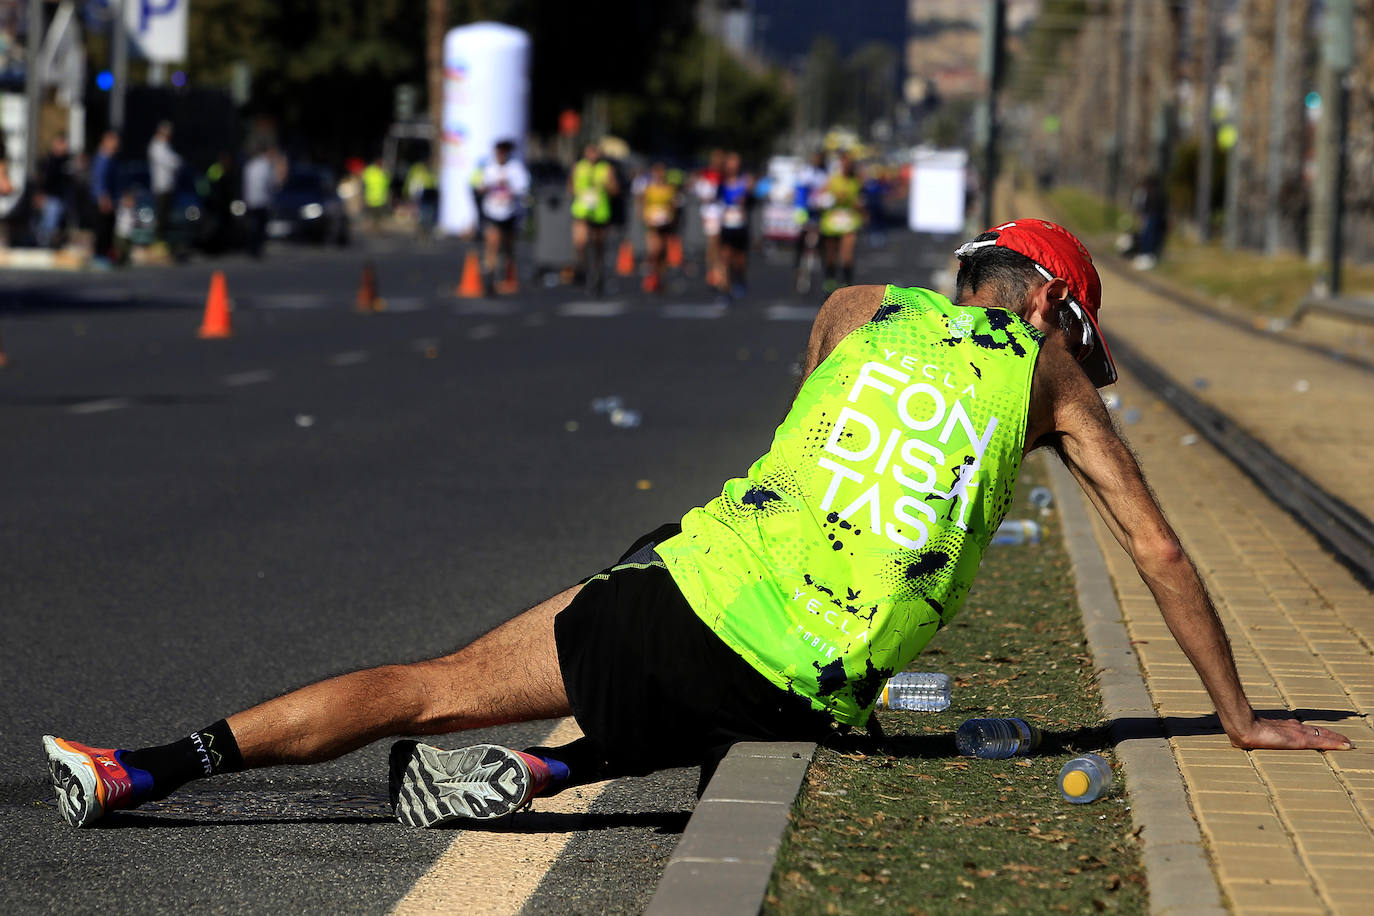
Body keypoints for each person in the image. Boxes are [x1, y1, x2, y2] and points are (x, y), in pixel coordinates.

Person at [43, 218, 1352, 831]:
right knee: (775, 703)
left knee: (427, 687)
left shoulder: (852, 304)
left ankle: (143, 766)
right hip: (795, 680)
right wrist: (1233, 719)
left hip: (679, 587)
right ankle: (562, 771)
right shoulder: (1050, 377)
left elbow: (809, 435)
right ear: (1056, 314)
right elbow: (1163, 551)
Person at [471, 139, 530, 296]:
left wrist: (508, 184)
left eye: (504, 152)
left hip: (510, 212)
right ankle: (489, 278)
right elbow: (478, 186)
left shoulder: (515, 168)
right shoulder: (488, 168)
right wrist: (487, 186)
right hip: (492, 211)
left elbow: (523, 189)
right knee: (492, 243)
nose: (501, 155)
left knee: (508, 245)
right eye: (499, 152)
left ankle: (507, 273)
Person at [569, 143, 618, 295]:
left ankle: (598, 274)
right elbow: (570, 186)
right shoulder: (578, 167)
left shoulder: (606, 168)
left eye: (595, 152)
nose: (592, 155)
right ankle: (581, 268)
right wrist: (579, 193)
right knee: (581, 242)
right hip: (582, 210)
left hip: (600, 211)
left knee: (599, 245)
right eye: (589, 151)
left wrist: (606, 186)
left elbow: (614, 190)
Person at [818, 151, 863, 293]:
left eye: (849, 164)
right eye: (844, 163)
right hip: (832, 220)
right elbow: (821, 196)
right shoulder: (832, 180)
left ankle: (847, 284)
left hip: (849, 220)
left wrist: (857, 204)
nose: (846, 166)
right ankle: (830, 280)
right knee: (831, 254)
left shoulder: (856, 181)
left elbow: (861, 200)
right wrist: (832, 198)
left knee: (847, 254)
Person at [715, 151, 753, 303]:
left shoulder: (745, 182)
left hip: (740, 226)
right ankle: (725, 288)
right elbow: (716, 201)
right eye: (731, 162)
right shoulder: (722, 183)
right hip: (726, 225)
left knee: (739, 260)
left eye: (736, 162)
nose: (733, 165)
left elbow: (751, 200)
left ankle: (739, 280)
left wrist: (746, 197)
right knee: (725, 258)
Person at [637, 162, 679, 293]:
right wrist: (645, 217)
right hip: (652, 224)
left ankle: (661, 278)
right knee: (654, 251)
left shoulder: (670, 189)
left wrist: (671, 217)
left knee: (663, 253)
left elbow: (673, 205)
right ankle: (652, 277)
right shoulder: (649, 189)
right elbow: (641, 203)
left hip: (665, 223)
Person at [793, 150, 828, 294]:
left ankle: (822, 273)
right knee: (801, 243)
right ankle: (798, 269)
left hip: (820, 212)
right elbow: (800, 193)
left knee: (821, 243)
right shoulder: (806, 172)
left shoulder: (826, 173)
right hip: (806, 211)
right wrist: (801, 213)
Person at [242, 145, 283, 258]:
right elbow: (271, 184)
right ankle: (257, 249)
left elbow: (246, 184)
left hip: (251, 200)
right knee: (260, 227)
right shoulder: (266, 166)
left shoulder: (251, 165)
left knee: (253, 226)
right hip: (262, 201)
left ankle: (252, 248)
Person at [34, 133, 73, 249]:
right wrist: (40, 193)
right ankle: (43, 245)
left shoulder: (66, 160)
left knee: (58, 224)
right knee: (48, 224)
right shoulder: (49, 160)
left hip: (62, 197)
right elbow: (43, 179)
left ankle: (53, 244)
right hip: (51, 197)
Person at [147, 122, 182, 244]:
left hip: (168, 186)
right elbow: (171, 161)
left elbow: (177, 161)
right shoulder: (156, 146)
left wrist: (175, 161)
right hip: (161, 187)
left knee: (166, 217)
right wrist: (175, 161)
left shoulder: (166, 146)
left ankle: (162, 241)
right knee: (161, 217)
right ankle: (158, 242)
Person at [89, 131, 120, 267]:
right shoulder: (102, 158)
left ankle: (106, 254)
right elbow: (99, 180)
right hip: (102, 200)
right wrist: (103, 198)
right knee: (102, 228)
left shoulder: (111, 158)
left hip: (110, 198)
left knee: (109, 227)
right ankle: (99, 256)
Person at [362, 158, 391, 232]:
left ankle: (374, 228)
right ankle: (375, 228)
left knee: (375, 216)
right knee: (376, 216)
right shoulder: (381, 173)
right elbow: (387, 183)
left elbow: (363, 181)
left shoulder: (370, 171)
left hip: (374, 198)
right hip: (377, 199)